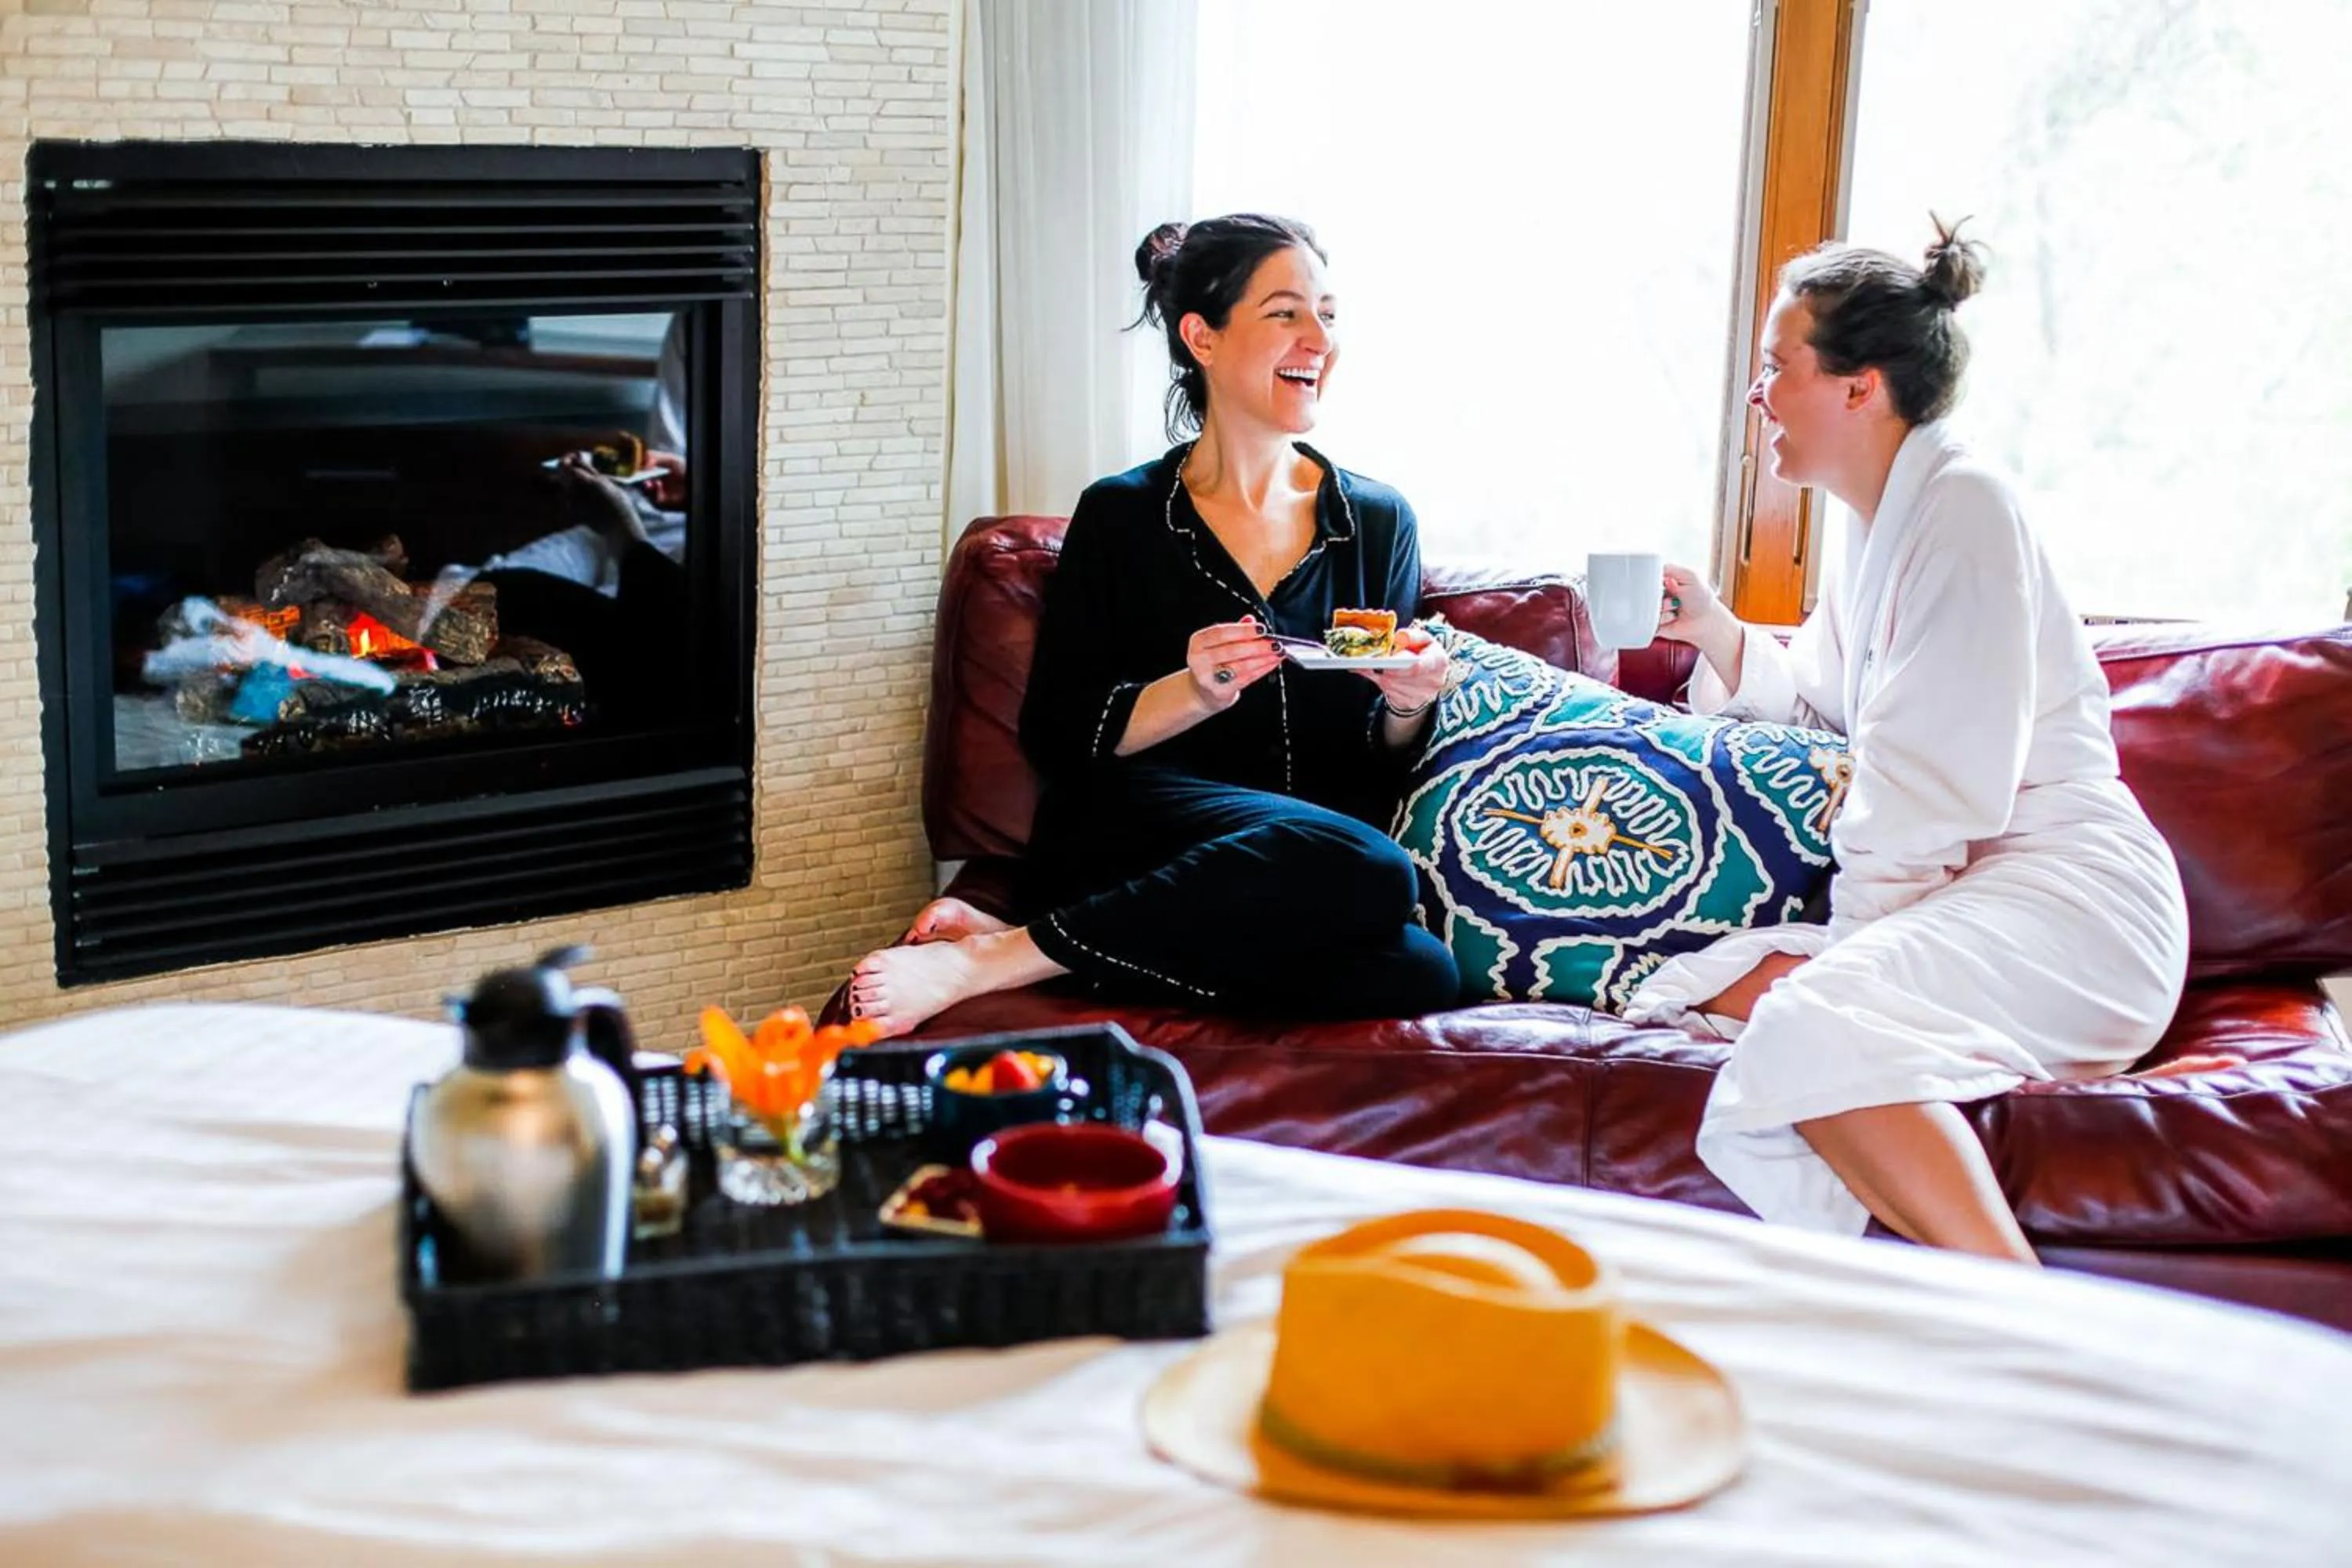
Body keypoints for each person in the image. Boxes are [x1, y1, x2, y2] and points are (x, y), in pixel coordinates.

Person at [1624, 219, 2189, 1262]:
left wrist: (1854, 957)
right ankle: (1896, 1288)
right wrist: (1718, 632)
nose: (1757, 395)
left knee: (1806, 1025)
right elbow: (1835, 715)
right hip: (1970, 891)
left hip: (2073, 904)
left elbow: (1931, 783)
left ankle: (2011, 1319)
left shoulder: (1965, 507)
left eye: (1774, 367)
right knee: (1708, 992)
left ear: (1860, 387)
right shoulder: (1873, 525)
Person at [845, 215, 1461, 1036]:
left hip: (1295, 861)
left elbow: (1378, 754)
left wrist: (1410, 701)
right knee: (1372, 869)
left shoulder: (1377, 520)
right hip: (1136, 837)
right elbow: (1059, 737)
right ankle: (986, 961)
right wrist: (1193, 691)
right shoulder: (1123, 515)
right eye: (1286, 312)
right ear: (1201, 336)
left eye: (1329, 313)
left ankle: (1048, 944)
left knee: (1423, 968)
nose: (1320, 338)